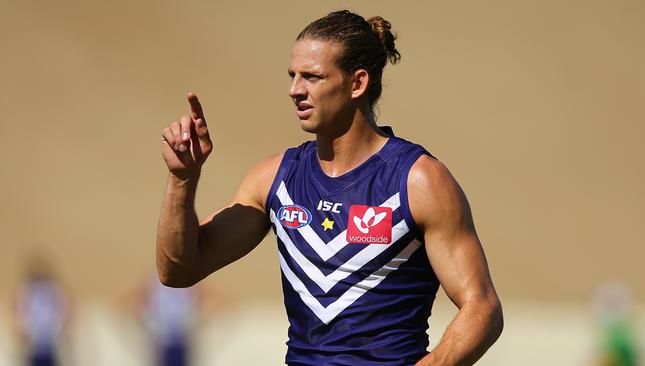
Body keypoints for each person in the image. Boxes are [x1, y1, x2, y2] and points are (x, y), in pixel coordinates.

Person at [157, 10, 503, 365]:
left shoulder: (419, 180)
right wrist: (183, 179)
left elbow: (482, 308)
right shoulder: (275, 178)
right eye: (293, 76)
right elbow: (178, 270)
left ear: (357, 83)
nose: (295, 90)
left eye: (313, 77)